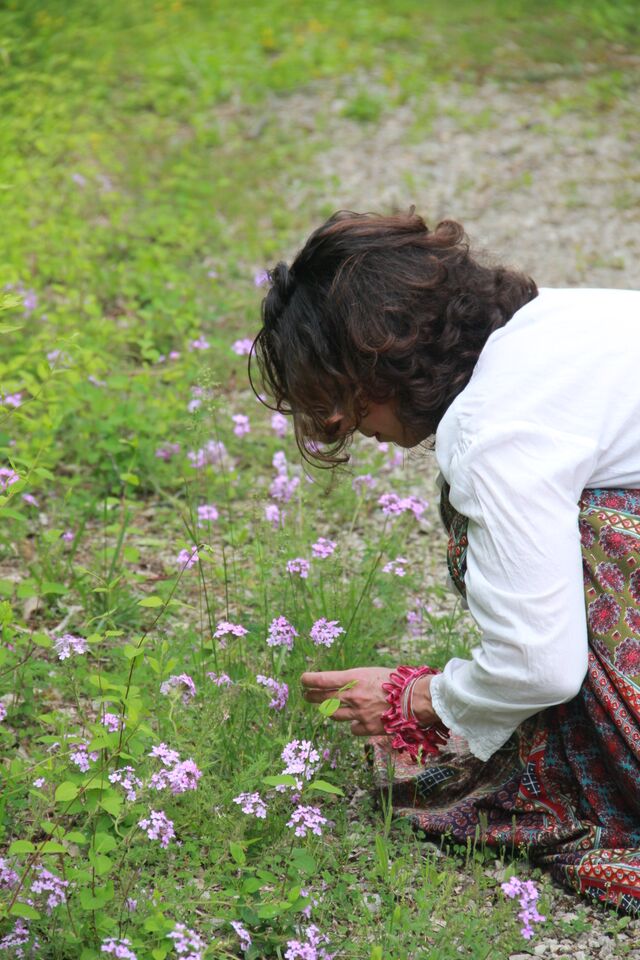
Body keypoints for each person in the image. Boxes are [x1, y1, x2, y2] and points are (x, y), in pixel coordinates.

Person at [252, 209, 640, 914]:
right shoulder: (557, 322)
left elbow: (538, 663)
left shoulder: (495, 430)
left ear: (372, 369)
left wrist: (422, 698)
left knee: (577, 536)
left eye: (334, 399)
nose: (349, 428)